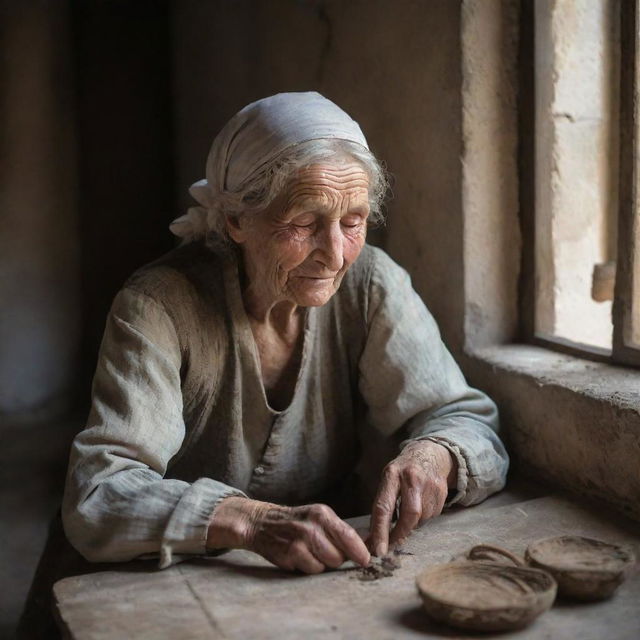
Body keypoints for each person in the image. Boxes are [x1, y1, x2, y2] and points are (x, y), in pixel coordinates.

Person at [61, 92, 509, 575]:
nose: (335, 255)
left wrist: (434, 453)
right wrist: (248, 522)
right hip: (174, 577)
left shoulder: (370, 285)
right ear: (236, 219)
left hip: (321, 573)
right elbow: (99, 493)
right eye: (303, 222)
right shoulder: (158, 306)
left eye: (352, 221)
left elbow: (464, 418)